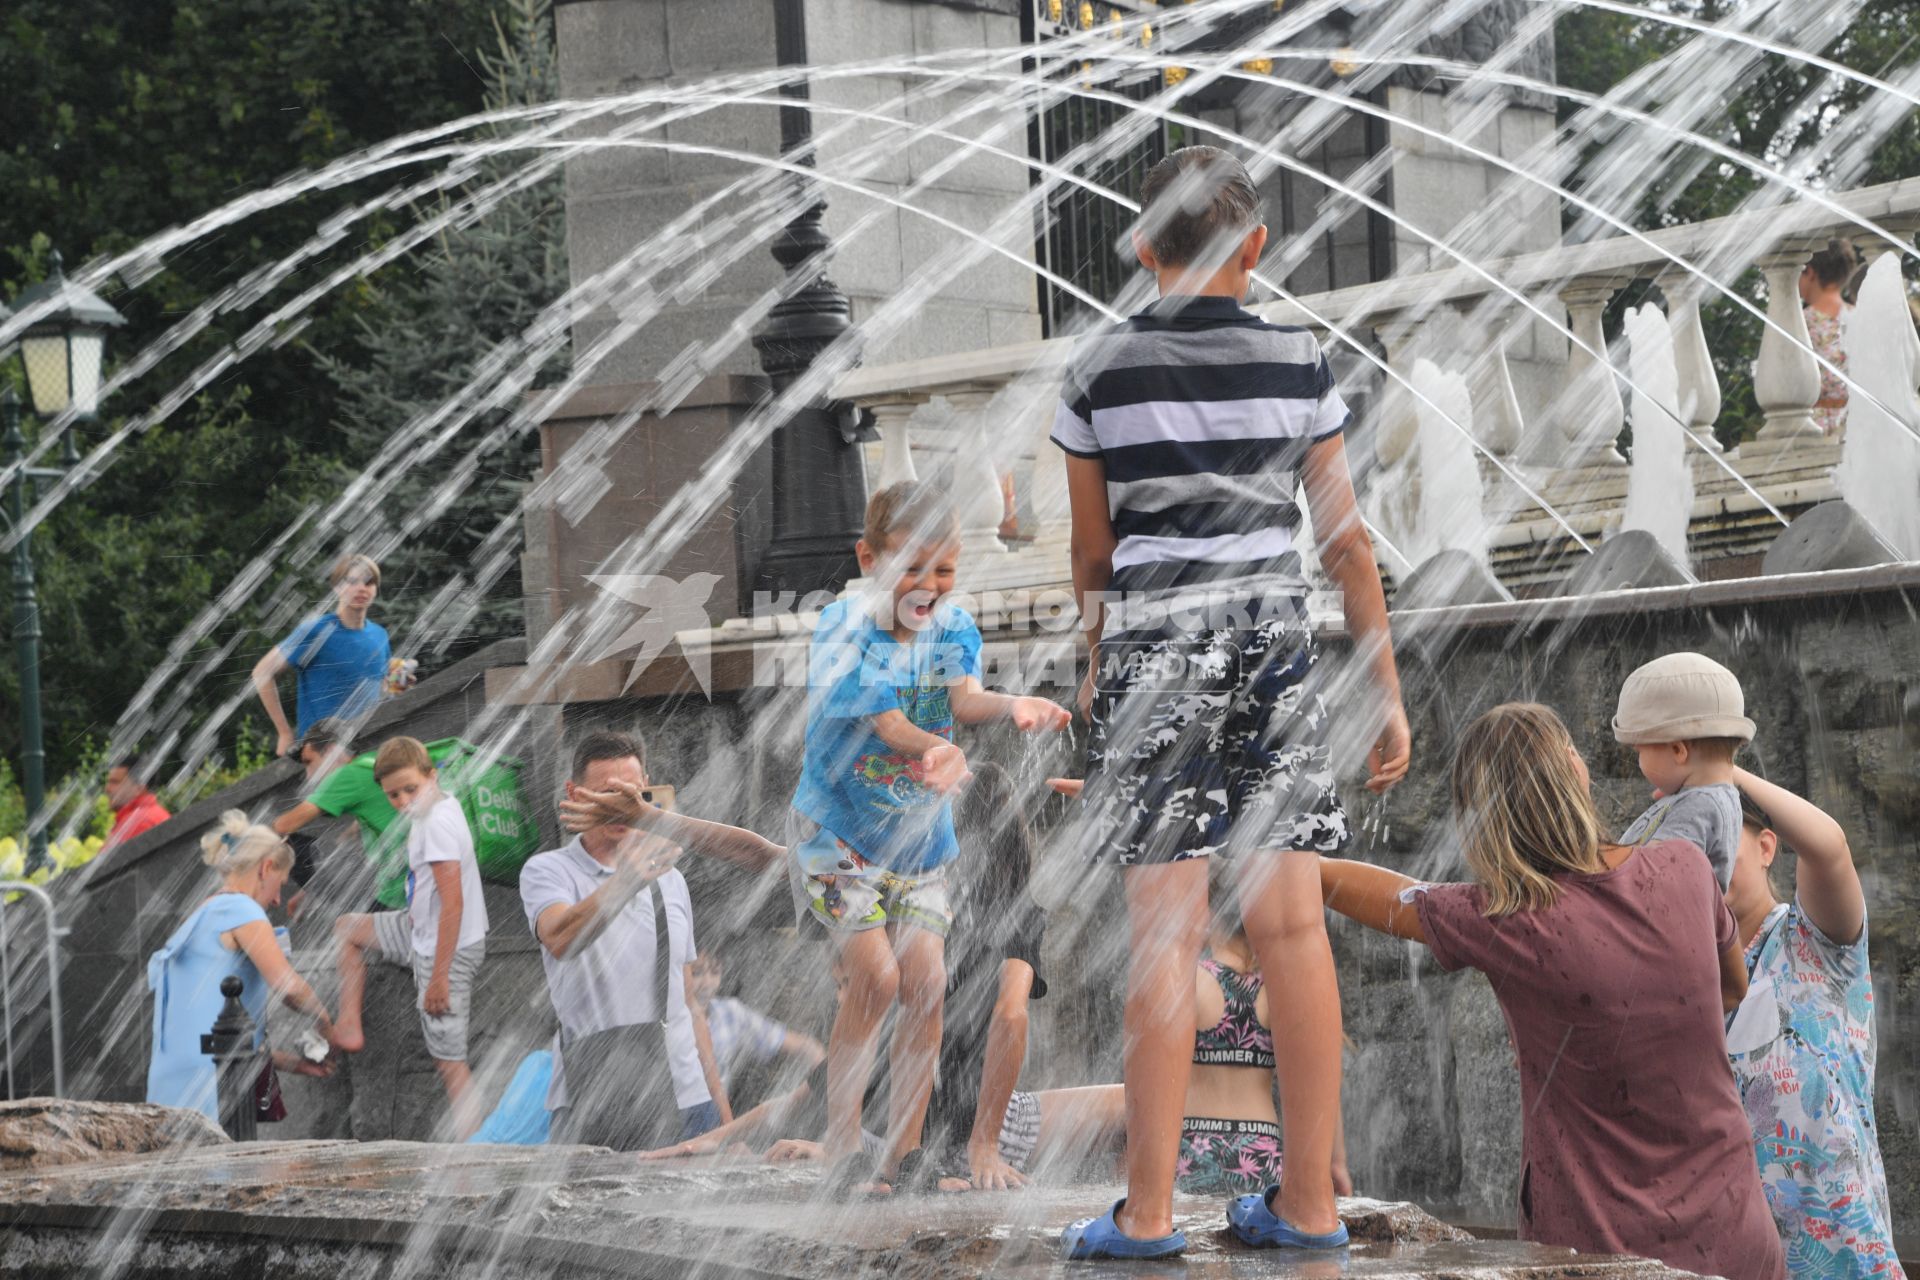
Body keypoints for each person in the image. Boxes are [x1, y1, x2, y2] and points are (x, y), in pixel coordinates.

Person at [1052, 144, 1409, 1259]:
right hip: (1275, 650)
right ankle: (1309, 1203)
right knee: (1293, 927)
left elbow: (1092, 554)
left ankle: (1147, 1215)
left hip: (1158, 648)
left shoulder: (1098, 368)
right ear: (1253, 249)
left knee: (1164, 940)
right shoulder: (1299, 359)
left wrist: (1094, 667)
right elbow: (1346, 542)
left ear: (1144, 248)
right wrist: (1384, 692)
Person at [1317, 702, 1784, 1280]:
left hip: (1599, 1253)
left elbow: (1396, 896)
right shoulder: (1685, 866)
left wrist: (1296, 865)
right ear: (1575, 767)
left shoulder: (1507, 919)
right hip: (1736, 1235)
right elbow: (1732, 987)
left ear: (1479, 816)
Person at [787, 480, 1071, 1194]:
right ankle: (844, 1142)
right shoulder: (845, 628)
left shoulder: (951, 627)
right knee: (877, 977)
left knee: (928, 982)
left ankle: (903, 1153)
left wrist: (1014, 706)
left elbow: (963, 701)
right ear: (868, 557)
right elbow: (887, 724)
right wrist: (934, 752)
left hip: (917, 840)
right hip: (838, 832)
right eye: (909, 567)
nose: (928, 584)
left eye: (942, 569)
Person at [1724, 769, 1904, 1277]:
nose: (1709, 868)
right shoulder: (1688, 981)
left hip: (1847, 1259)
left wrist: (1720, 767)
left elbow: (1828, 848)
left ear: (1765, 847)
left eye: (1722, 848)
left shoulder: (1814, 942)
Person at [522, 731, 733, 1148]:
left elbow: (689, 1004)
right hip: (593, 1096)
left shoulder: (671, 879)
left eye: (631, 793)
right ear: (574, 793)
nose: (621, 807)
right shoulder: (549, 871)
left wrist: (726, 1122)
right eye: (607, 794)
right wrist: (627, 879)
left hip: (686, 1095)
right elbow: (561, 938)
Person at [329, 736, 489, 1138]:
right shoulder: (440, 806)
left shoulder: (435, 825)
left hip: (444, 948)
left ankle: (480, 1152)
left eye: (410, 789)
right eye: (392, 795)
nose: (402, 801)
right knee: (348, 928)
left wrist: (439, 977)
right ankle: (348, 1024)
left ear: (432, 776)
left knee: (450, 1061)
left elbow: (454, 905)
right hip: (418, 929)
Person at [147, 812, 334, 1122]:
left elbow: (209, 1032)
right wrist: (326, 1021)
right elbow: (289, 988)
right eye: (280, 884)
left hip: (173, 1081)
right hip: (211, 1086)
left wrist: (292, 1064)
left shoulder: (203, 913)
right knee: (220, 1169)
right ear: (266, 868)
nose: (277, 900)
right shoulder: (241, 909)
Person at [1611, 651, 1753, 890]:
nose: (1638, 761)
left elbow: (1651, 874)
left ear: (1678, 750)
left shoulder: (1701, 805)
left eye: (1639, 752)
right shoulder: (1704, 798)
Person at [252, 553, 394, 758]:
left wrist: (398, 687)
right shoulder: (316, 631)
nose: (361, 588)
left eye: (369, 582)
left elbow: (380, 688)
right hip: (323, 751)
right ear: (337, 587)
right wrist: (284, 732)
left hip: (370, 747)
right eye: (352, 581)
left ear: (375, 589)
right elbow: (262, 672)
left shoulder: (379, 635)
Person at [688, 953, 825, 1095]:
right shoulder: (670, 1020)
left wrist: (820, 1063)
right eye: (696, 973)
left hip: (715, 1113)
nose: (707, 983)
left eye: (715, 972)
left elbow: (794, 1043)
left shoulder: (729, 1014)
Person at [1800, 238, 1858, 437]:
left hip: (1819, 426)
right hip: (1860, 419)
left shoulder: (1801, 322)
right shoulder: (1860, 315)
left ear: (1809, 272)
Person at [105, 756, 171, 849]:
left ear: (139, 788)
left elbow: (111, 863)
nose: (107, 789)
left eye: (115, 782)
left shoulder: (139, 822)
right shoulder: (150, 814)